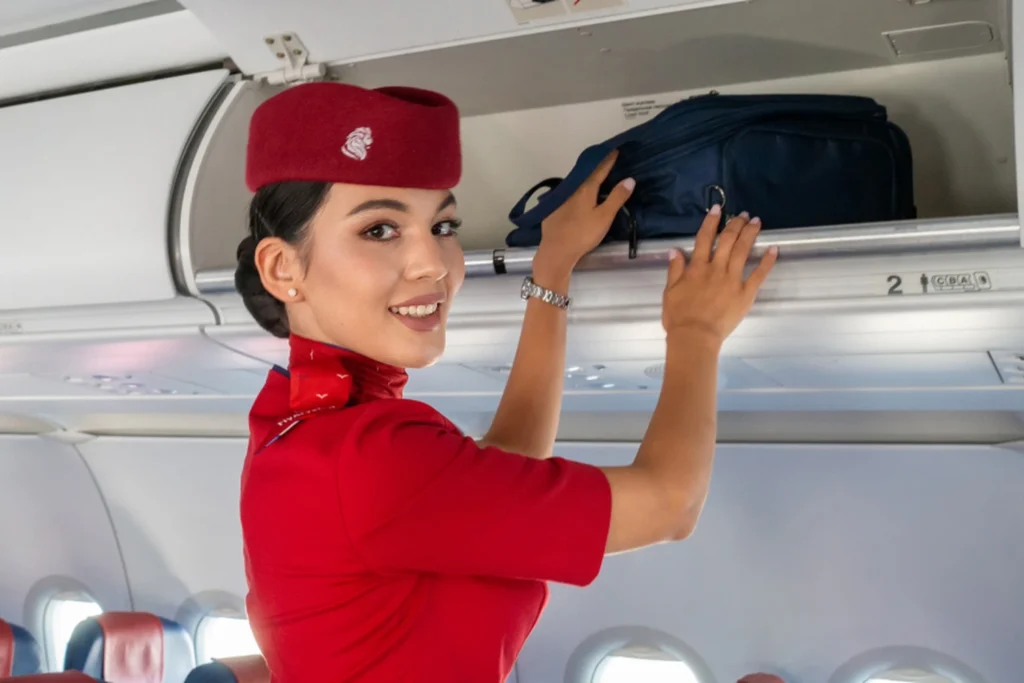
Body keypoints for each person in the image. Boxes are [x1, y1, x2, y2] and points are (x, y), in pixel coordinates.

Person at [236, 81, 777, 683]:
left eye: (443, 226)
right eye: (380, 230)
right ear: (283, 268)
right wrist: (697, 332)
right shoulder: (369, 454)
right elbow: (670, 505)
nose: (433, 264)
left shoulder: (294, 427)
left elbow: (504, 468)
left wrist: (553, 268)